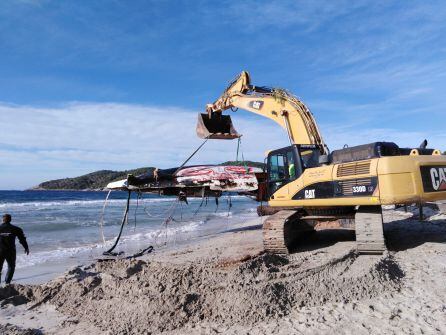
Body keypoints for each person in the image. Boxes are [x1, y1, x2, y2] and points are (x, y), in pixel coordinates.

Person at [0, 214, 29, 285]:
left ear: (2, 220)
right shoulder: (16, 229)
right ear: (10, 220)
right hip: (10, 251)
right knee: (11, 266)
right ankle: (7, 283)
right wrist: (26, 247)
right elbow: (22, 239)